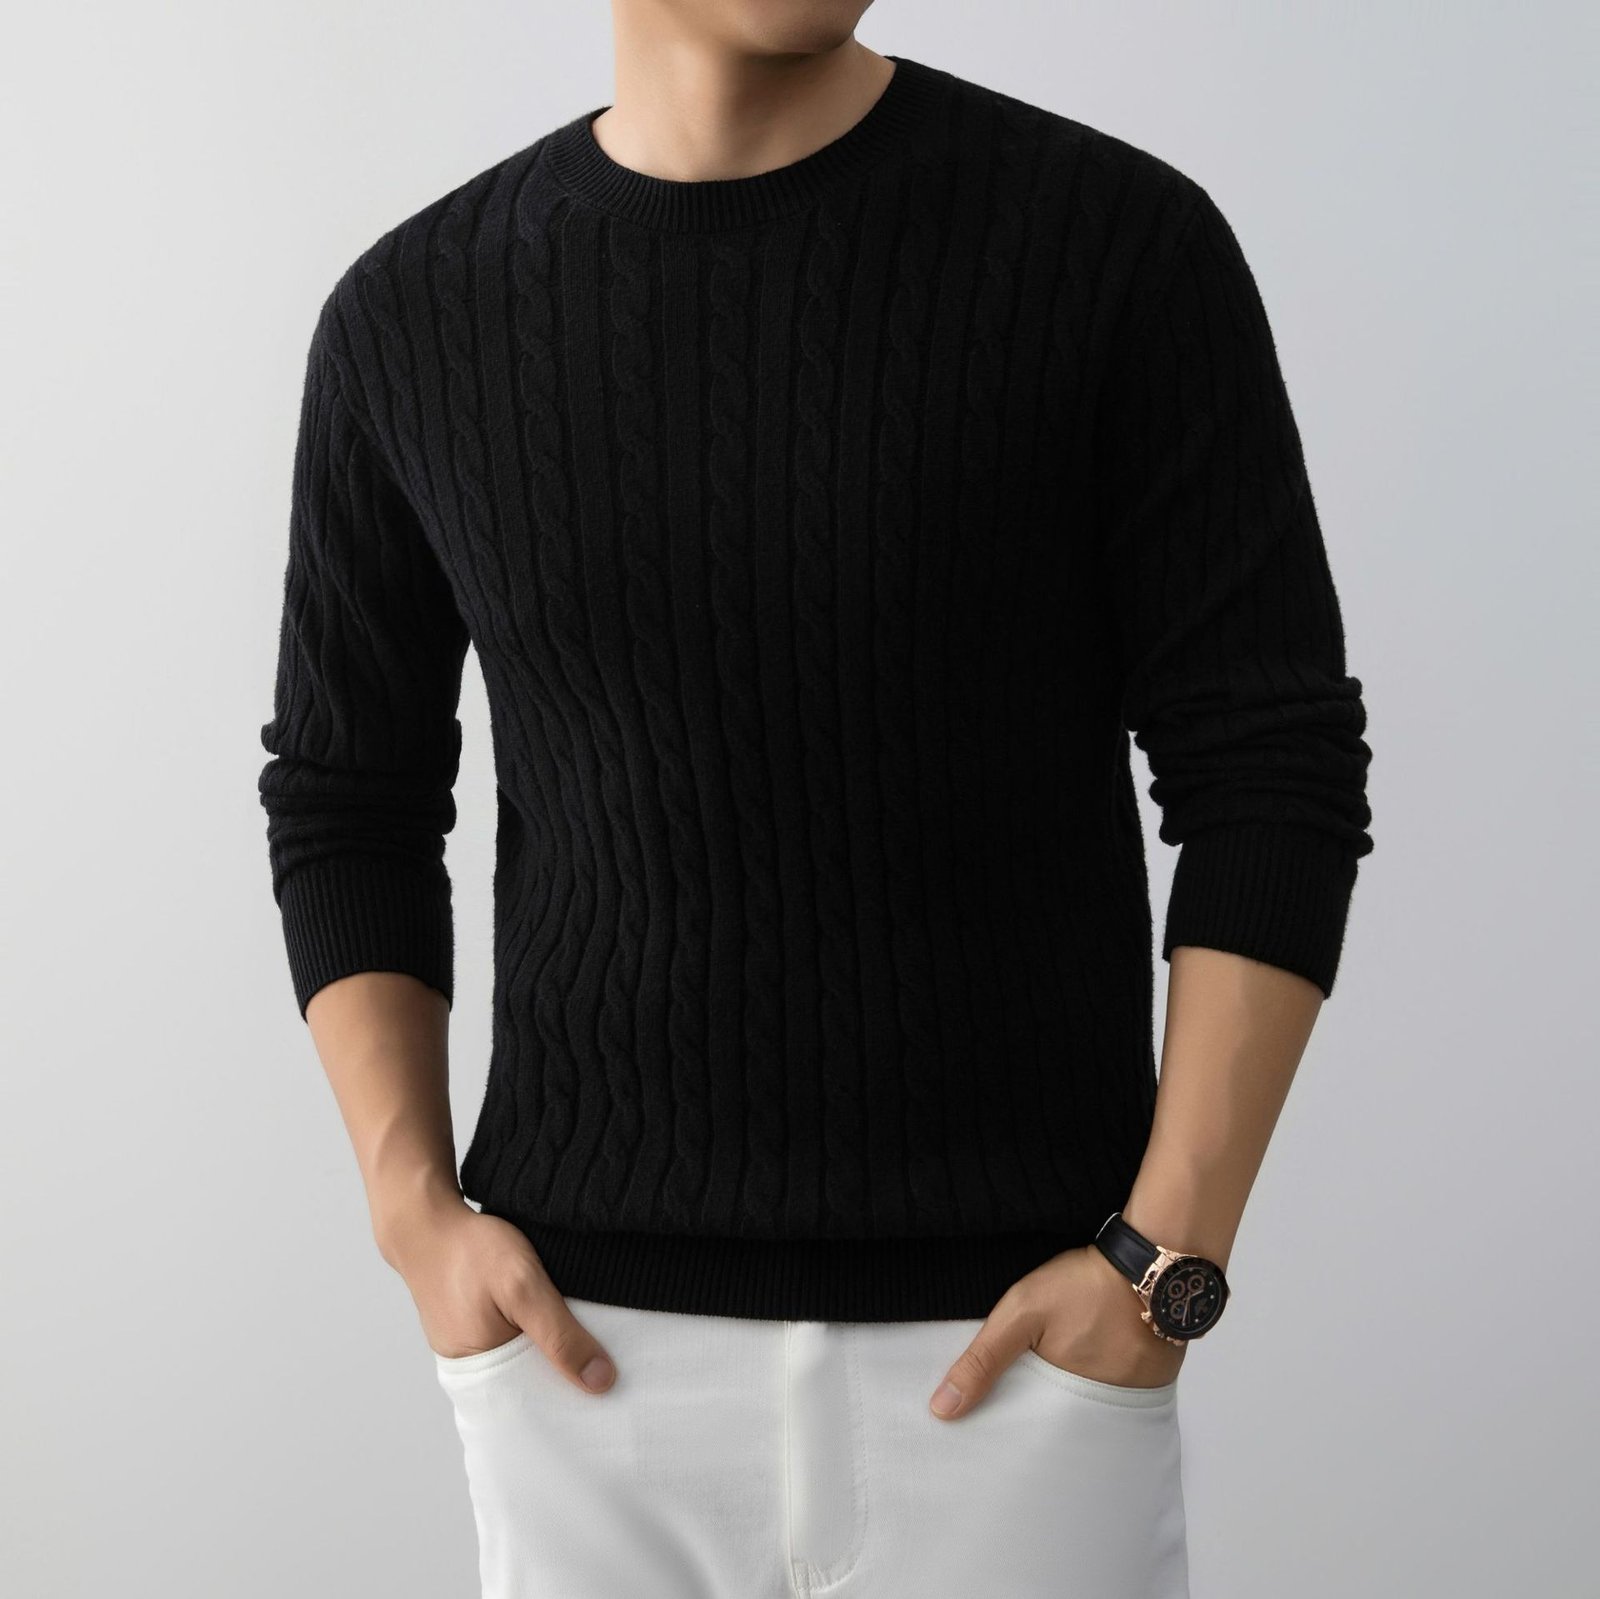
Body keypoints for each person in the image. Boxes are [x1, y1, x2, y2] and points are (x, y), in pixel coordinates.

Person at [257, 13, 1373, 1597]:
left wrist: (1164, 1262)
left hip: (1027, 1359)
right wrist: (411, 1212)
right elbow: (348, 798)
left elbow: (1271, 766)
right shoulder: (412, 312)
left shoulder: (1116, 246)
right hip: (585, 1365)